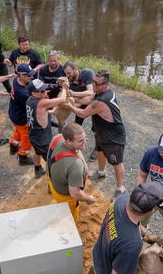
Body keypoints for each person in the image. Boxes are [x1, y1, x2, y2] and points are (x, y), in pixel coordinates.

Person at [65, 70, 127, 198]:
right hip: (101, 131)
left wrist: (69, 106)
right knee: (99, 151)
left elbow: (82, 113)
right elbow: (89, 98)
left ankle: (120, 188)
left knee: (116, 162)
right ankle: (101, 171)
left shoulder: (102, 100)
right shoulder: (101, 92)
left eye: (96, 84)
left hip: (113, 135)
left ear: (106, 84)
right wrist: (75, 97)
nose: (93, 85)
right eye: (93, 82)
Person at [92, 182, 163, 274]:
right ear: (151, 211)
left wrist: (147, 234)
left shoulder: (121, 200)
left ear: (131, 196)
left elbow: (134, 222)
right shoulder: (132, 244)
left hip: (98, 255)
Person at [47, 123, 95, 222]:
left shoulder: (57, 137)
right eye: (80, 141)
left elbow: (48, 160)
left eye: (85, 138)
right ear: (68, 141)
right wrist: (88, 199)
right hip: (65, 197)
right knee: (70, 220)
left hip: (53, 184)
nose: (84, 143)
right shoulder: (75, 165)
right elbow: (75, 194)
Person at [26, 79, 68, 178]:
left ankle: (37, 169)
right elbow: (62, 99)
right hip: (43, 140)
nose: (45, 92)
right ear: (33, 93)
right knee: (51, 161)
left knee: (37, 152)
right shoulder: (42, 103)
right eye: (41, 91)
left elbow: (37, 113)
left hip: (33, 135)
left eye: (44, 89)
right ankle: (53, 180)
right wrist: (65, 89)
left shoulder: (29, 100)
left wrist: (48, 112)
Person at [8, 64, 37, 166]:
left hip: (13, 113)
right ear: (21, 75)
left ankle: (13, 145)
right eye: (29, 76)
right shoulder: (22, 93)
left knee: (18, 130)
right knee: (26, 136)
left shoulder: (16, 79)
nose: (31, 77)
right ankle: (23, 157)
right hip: (21, 118)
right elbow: (34, 103)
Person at [63, 61, 95, 129]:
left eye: (69, 73)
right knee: (78, 121)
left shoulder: (87, 73)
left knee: (96, 126)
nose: (67, 76)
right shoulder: (69, 81)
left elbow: (90, 92)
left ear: (75, 69)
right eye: (66, 74)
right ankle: (79, 138)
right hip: (82, 100)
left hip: (96, 100)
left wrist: (73, 94)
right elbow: (74, 101)